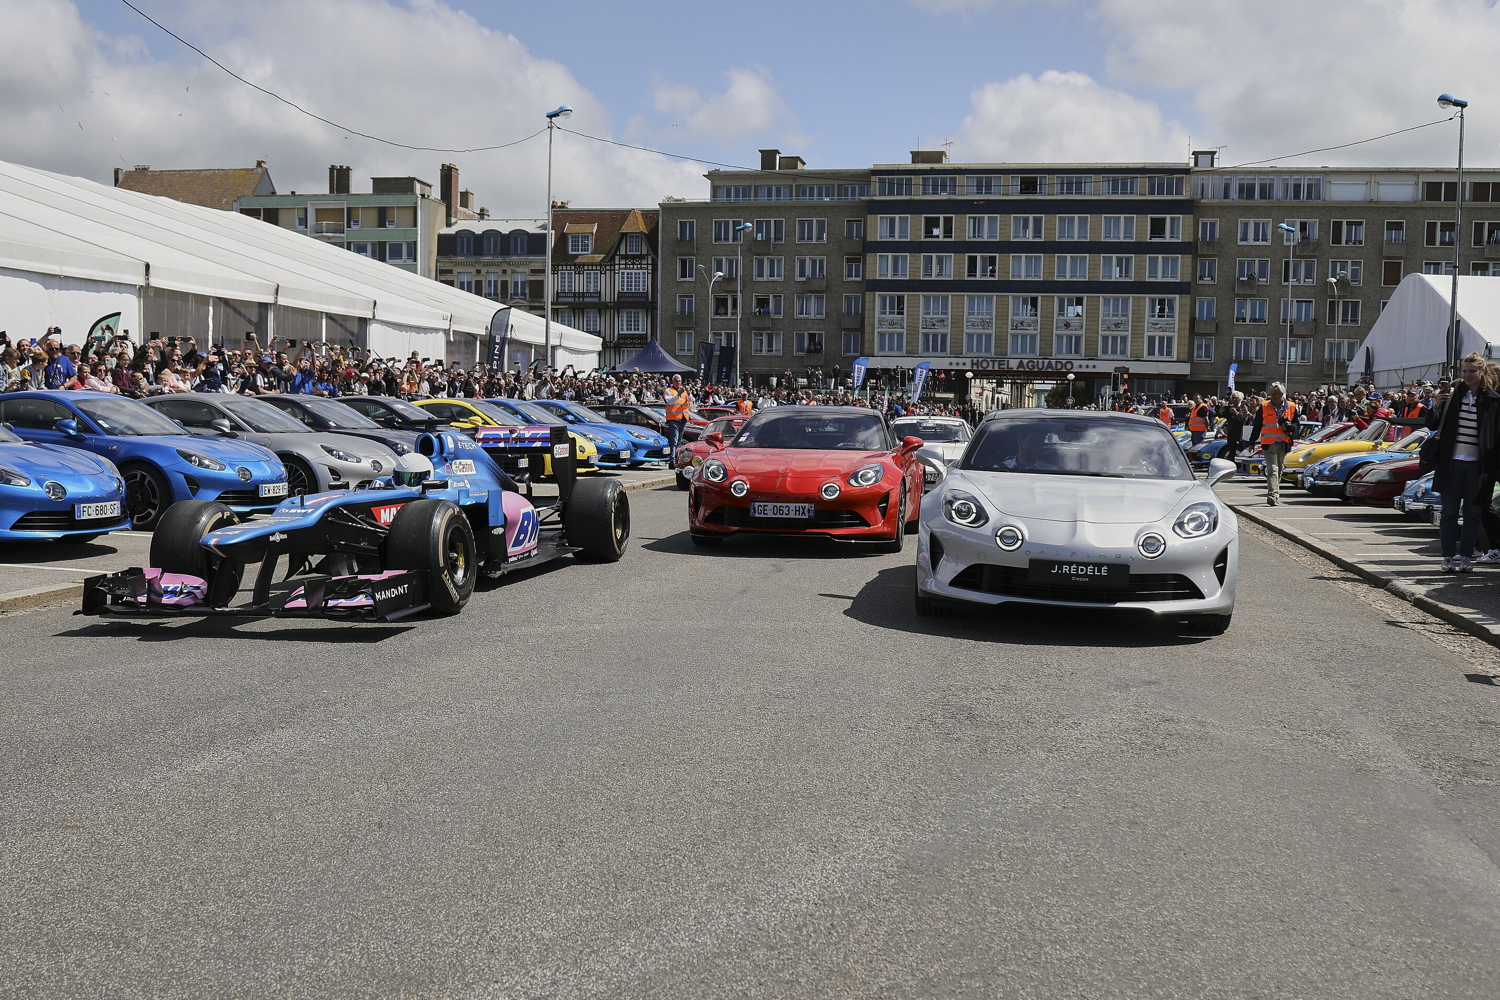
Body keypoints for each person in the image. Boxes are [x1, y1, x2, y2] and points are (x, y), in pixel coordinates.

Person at [1425, 352, 1500, 572]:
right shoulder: (1453, 396)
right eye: (1464, 371)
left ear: (1482, 372)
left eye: (1471, 371)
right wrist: (1436, 405)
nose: (1467, 375)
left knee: (1473, 514)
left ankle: (1466, 557)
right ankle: (1448, 557)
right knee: (1448, 513)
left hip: (1478, 466)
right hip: (1452, 463)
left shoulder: (1493, 400)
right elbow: (1431, 425)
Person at [1251, 382, 1297, 505]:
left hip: (1283, 442)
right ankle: (1273, 495)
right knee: (1272, 469)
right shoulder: (1264, 405)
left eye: (1275, 394)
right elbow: (1257, 425)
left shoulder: (1291, 406)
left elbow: (1296, 424)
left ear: (1282, 394)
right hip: (1269, 443)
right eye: (1271, 394)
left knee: (1279, 469)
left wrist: (1290, 427)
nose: (1273, 396)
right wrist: (1252, 441)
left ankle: (1275, 493)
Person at [662, 373, 691, 452]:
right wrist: (678, 394)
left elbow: (690, 400)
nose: (678, 383)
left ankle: (676, 457)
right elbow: (670, 402)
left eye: (680, 381)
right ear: (672, 381)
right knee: (674, 440)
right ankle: (672, 460)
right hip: (673, 419)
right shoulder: (668, 390)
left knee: (679, 441)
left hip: (683, 418)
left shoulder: (683, 391)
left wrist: (689, 392)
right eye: (677, 381)